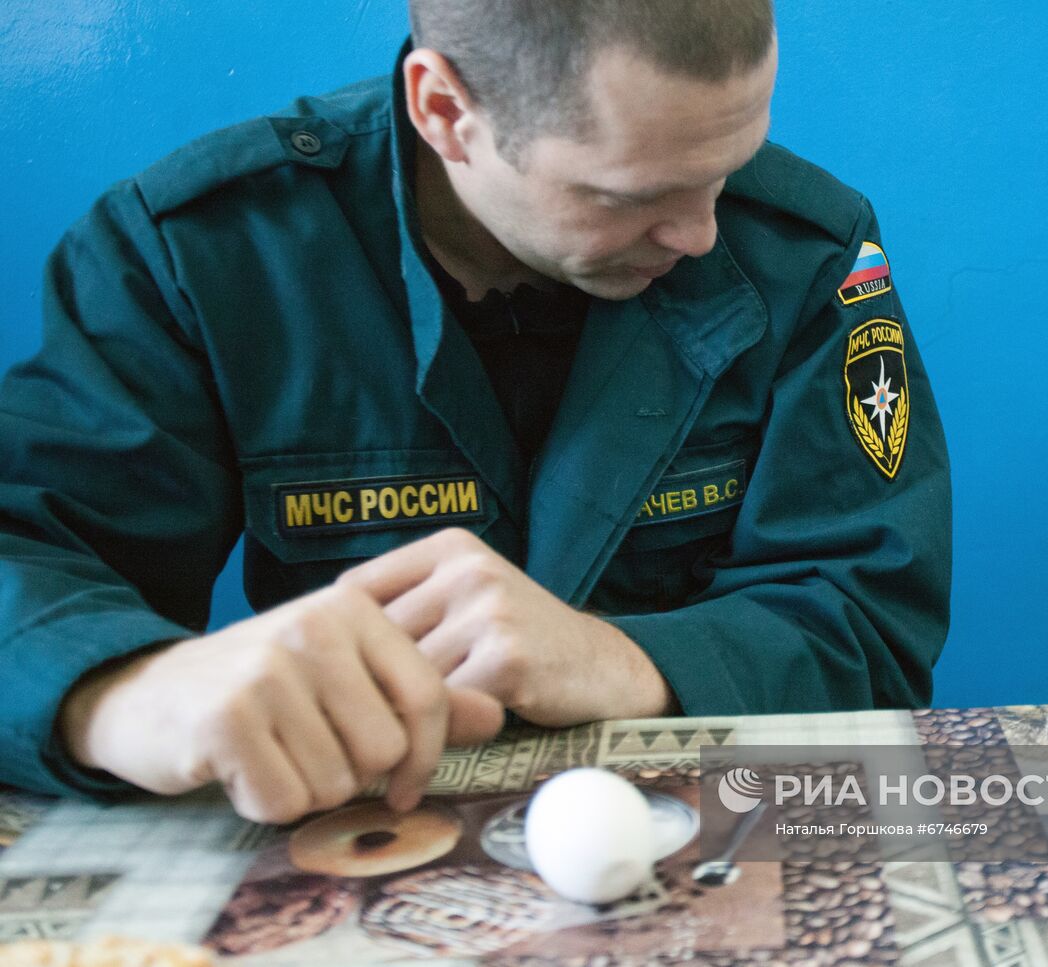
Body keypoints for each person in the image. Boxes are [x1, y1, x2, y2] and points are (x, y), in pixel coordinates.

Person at [0, 0, 951, 824]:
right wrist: (118, 691)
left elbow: (872, 624)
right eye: (636, 195)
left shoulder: (808, 253)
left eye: (728, 169)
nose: (703, 234)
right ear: (446, 110)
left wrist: (624, 661)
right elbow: (26, 546)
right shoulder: (203, 259)